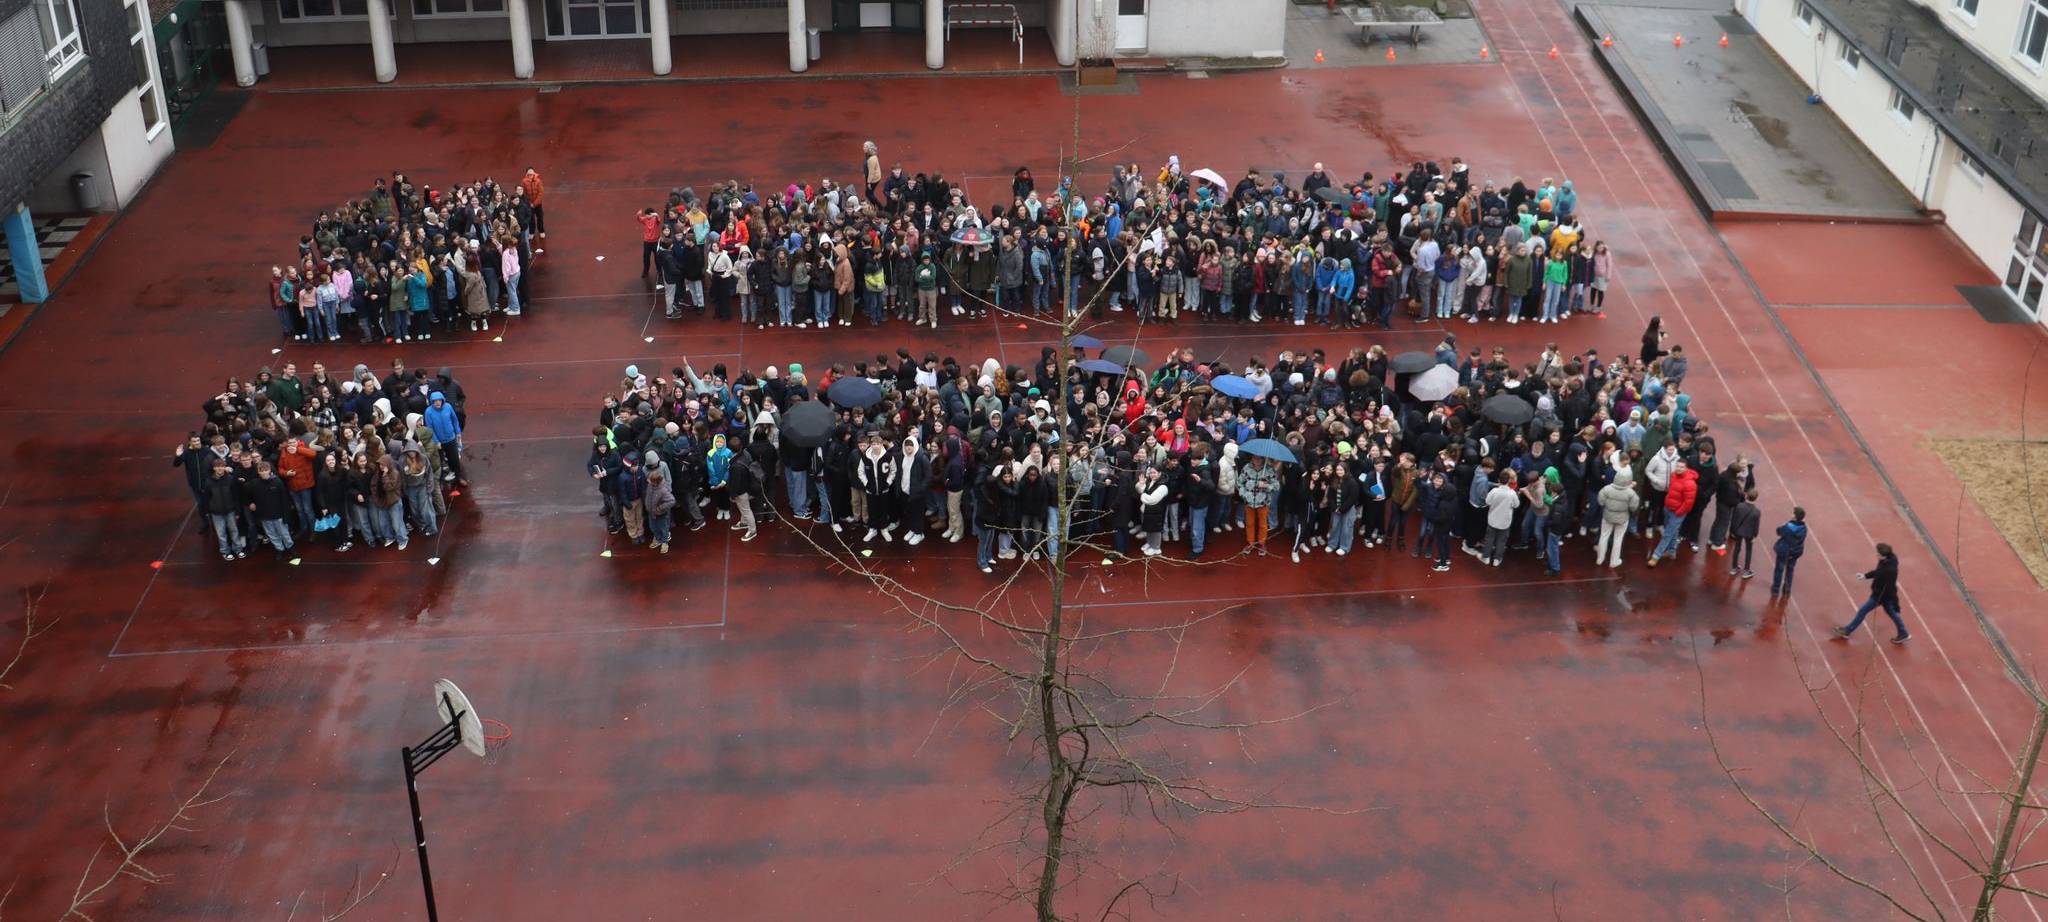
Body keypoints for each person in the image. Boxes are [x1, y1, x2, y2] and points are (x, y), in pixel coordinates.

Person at [1837, 544, 1909, 644]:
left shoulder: (1888, 571)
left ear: (1884, 556)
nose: (1876, 555)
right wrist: (1865, 576)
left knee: (1862, 611)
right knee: (1892, 613)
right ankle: (1903, 633)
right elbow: (1878, 572)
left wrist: (1890, 600)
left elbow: (1888, 586)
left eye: (1878, 554)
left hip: (1881, 596)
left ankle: (1847, 631)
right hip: (1884, 595)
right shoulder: (1890, 559)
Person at [1769, 507, 1807, 595]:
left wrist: (1784, 525)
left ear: (1795, 516)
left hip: (1785, 550)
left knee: (1779, 569)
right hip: (1796, 551)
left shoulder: (1788, 527)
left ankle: (1775, 589)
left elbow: (1779, 531)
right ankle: (1787, 589)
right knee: (1790, 569)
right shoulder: (1804, 528)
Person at [1726, 489, 1760, 579]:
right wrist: (1755, 536)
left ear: (1746, 496)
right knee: (1748, 550)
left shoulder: (1739, 506)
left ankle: (1734, 568)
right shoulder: (1756, 511)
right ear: (1756, 498)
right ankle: (1746, 570)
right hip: (1749, 533)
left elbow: (1734, 518)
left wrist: (1733, 530)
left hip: (1738, 531)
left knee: (1737, 548)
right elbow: (1756, 525)